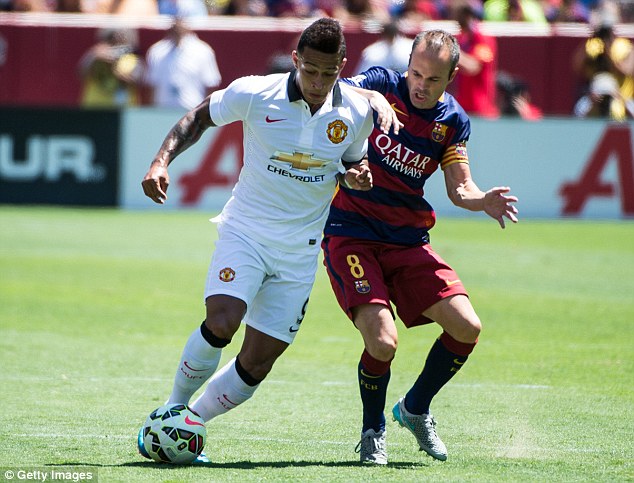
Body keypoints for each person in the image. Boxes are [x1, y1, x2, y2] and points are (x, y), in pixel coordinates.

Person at [136, 17, 398, 464]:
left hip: (299, 251)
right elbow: (198, 117)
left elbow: (351, 165)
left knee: (257, 363)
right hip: (247, 231)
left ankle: (188, 425)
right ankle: (170, 409)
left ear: (343, 65)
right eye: (310, 70)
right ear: (296, 59)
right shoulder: (256, 92)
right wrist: (162, 161)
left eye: (328, 73)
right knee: (222, 321)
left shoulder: (357, 112)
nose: (317, 82)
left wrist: (356, 178)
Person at [322, 29, 519, 465]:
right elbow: (333, 91)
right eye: (415, 72)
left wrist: (480, 200)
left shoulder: (452, 122)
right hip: (352, 232)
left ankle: (414, 409)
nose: (420, 84)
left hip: (408, 238)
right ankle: (373, 430)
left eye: (432, 79)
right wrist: (367, 101)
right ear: (407, 65)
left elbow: (460, 188)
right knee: (383, 343)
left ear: (450, 78)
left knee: (467, 327)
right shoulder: (380, 83)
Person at [145, 17, 222, 110]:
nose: (178, 28)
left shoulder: (203, 51)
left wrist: (205, 111)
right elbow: (151, 85)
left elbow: (210, 83)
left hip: (192, 110)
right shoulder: (157, 51)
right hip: (163, 110)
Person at [450, 1, 499, 118]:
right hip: (462, 107)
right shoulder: (460, 39)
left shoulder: (484, 39)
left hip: (481, 110)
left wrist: (449, 50)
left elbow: (474, 67)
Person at [77, 27, 144, 108]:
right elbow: (81, 73)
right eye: (111, 40)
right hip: (94, 108)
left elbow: (137, 80)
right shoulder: (95, 56)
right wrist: (94, 57)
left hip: (122, 112)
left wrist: (114, 65)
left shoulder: (133, 60)